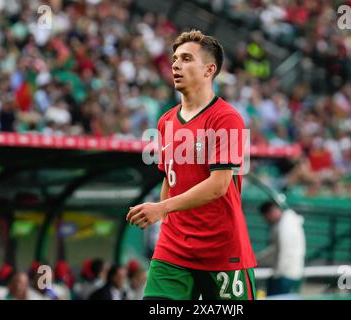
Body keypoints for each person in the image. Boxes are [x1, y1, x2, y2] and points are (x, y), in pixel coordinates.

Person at [127, 30, 257, 300]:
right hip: (173, 248)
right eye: (175, 59)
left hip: (222, 249)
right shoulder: (165, 121)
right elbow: (169, 180)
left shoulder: (227, 118)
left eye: (186, 59)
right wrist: (163, 219)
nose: (176, 64)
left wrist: (161, 208)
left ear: (209, 69)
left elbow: (219, 185)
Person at [256, 200, 306, 296]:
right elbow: (275, 250)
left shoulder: (286, 226)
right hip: (288, 274)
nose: (266, 220)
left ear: (270, 213)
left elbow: (286, 252)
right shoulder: (285, 223)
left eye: (265, 217)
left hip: (285, 275)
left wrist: (278, 274)